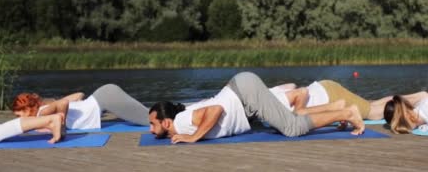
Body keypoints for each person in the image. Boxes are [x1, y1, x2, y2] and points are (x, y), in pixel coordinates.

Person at [148, 72, 365, 144]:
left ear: (166, 122)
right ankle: (337, 109)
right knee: (286, 120)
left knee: (292, 128)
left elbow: (214, 110)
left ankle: (347, 113)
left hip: (245, 94)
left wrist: (193, 137)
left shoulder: (181, 123)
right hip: (242, 94)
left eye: (152, 124)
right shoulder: (182, 118)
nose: (149, 129)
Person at [269, 80, 427, 120]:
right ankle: (417, 96)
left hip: (330, 96)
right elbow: (291, 84)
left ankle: (417, 98)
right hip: (323, 87)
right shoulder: (267, 93)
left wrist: (299, 111)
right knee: (369, 104)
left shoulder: (270, 103)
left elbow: (300, 91)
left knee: (372, 113)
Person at [13, 84, 149, 130]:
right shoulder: (45, 111)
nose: (18, 119)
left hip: (106, 98)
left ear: (26, 109)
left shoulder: (42, 114)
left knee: (148, 119)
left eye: (18, 115)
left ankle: (170, 121)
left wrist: (62, 123)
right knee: (149, 115)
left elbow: (63, 104)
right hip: (103, 97)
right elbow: (79, 95)